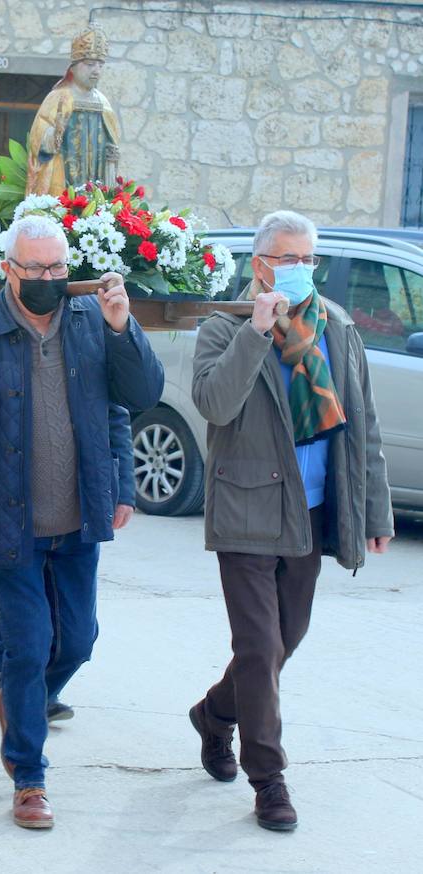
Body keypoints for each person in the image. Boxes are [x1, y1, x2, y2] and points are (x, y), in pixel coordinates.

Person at [0, 214, 163, 829]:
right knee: (28, 646)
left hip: (77, 521)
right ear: (8, 270)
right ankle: (29, 775)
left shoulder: (91, 324)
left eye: (57, 268)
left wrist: (124, 327)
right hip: (7, 522)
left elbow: (131, 402)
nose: (48, 278)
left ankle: (20, 704)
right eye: (36, 269)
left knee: (77, 640)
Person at [186, 210, 393, 832]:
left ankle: (215, 713)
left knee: (281, 646)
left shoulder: (337, 324)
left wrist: (374, 508)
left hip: (310, 511)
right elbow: (214, 404)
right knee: (257, 646)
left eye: (308, 258)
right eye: (286, 258)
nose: (299, 269)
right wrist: (256, 331)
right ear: (259, 265)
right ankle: (269, 779)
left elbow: (364, 423)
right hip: (246, 507)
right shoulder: (223, 328)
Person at [0, 402, 136, 725]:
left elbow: (117, 411)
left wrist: (124, 488)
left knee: (72, 633)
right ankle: (25, 706)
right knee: (30, 631)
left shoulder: (93, 352)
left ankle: (23, 685)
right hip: (13, 509)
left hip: (78, 512)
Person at [26, 28, 121, 196]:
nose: (96, 70)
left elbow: (111, 145)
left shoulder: (103, 102)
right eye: (90, 64)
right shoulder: (58, 98)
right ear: (74, 67)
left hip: (95, 183)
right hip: (62, 182)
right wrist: (54, 133)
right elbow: (37, 141)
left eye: (100, 65)